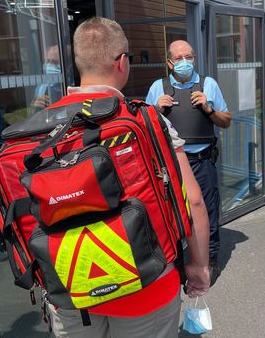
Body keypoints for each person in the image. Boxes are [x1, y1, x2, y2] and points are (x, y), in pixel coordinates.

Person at [49, 18, 210, 338]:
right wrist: (198, 267)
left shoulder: (47, 125)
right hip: (146, 285)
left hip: (71, 289)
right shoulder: (147, 122)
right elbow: (192, 200)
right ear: (122, 62)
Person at [146, 40, 231, 285]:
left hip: (202, 161)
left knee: (208, 211)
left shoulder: (208, 84)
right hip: (171, 163)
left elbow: (225, 121)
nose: (185, 62)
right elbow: (144, 127)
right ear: (170, 62)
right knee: (173, 213)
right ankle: (178, 262)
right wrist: (156, 110)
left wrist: (208, 108)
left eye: (189, 56)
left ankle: (209, 261)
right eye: (179, 57)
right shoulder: (158, 87)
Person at [32, 44, 63, 110]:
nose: (49, 65)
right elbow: (35, 108)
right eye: (48, 61)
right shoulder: (41, 87)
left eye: (54, 62)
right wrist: (35, 104)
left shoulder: (69, 86)